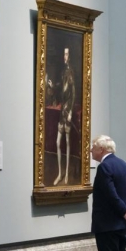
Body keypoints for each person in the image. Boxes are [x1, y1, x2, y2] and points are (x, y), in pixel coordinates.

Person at [49, 48, 76, 185]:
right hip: (62, 112)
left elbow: (72, 93)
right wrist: (53, 87)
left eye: (67, 54)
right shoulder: (62, 72)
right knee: (58, 143)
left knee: (67, 143)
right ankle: (60, 173)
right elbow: (61, 89)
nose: (65, 56)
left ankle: (65, 174)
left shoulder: (70, 72)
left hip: (67, 111)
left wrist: (70, 111)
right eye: (64, 53)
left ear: (69, 56)